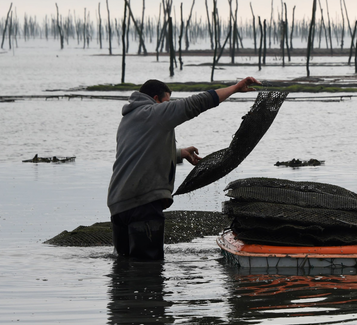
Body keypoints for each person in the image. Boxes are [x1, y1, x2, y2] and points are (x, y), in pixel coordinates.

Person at [107, 77, 261, 260]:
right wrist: (235, 88)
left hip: (119, 205)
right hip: (142, 204)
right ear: (156, 99)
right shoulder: (155, 112)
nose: (168, 106)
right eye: (166, 102)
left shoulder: (129, 119)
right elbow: (196, 103)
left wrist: (179, 153)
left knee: (123, 267)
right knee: (148, 269)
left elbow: (141, 153)